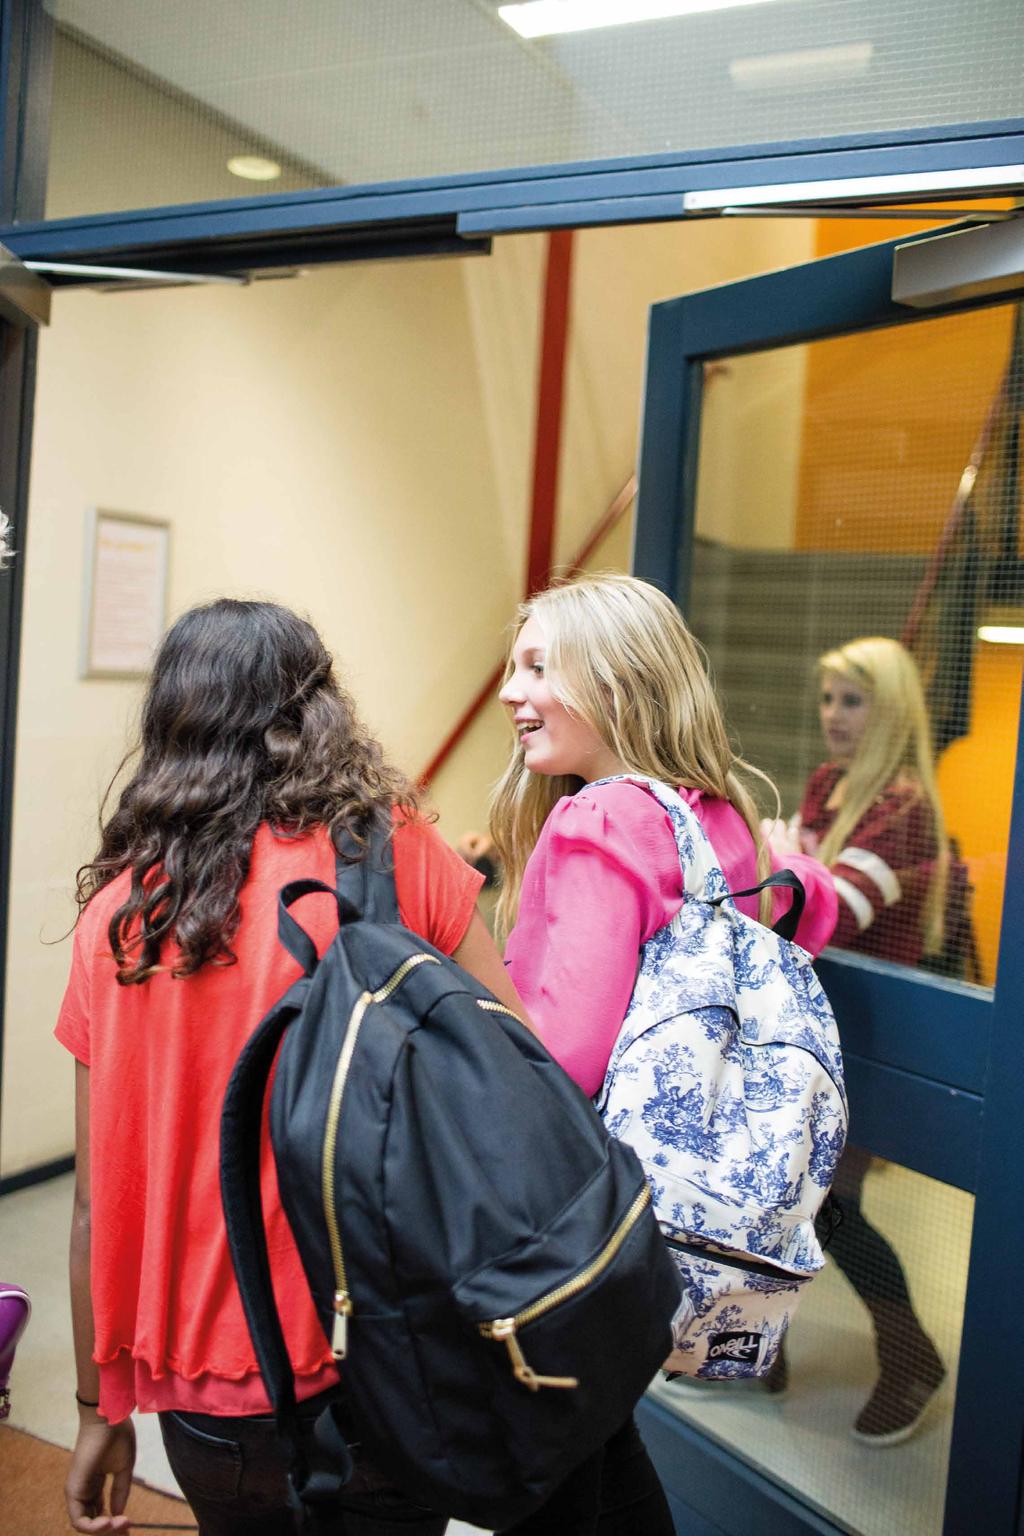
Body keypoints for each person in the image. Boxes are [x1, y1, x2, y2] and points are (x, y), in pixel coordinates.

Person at [57, 598, 530, 1536]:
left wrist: (95, 1412)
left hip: (211, 1389)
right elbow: (522, 1079)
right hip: (395, 1359)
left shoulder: (120, 920)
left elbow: (93, 1203)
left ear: (171, 728)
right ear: (316, 713)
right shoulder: (399, 861)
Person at [489, 573, 838, 1534]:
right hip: (693, 1216)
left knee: (548, 1467)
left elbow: (564, 1056)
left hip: (584, 1210)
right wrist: (807, 870)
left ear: (614, 679)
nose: (512, 692)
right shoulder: (714, 814)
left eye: (536, 667)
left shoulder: (600, 816)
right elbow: (812, 905)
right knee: (596, 1456)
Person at [766, 636, 947, 1446]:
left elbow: (820, 910)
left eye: (852, 700)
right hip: (817, 1030)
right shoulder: (830, 784)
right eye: (828, 698)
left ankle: (910, 1355)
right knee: (789, 1199)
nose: (832, 716)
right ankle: (753, 1346)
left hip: (873, 1041)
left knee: (830, 1209)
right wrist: (788, 863)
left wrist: (781, 857)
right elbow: (796, 897)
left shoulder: (905, 806)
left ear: (890, 710)